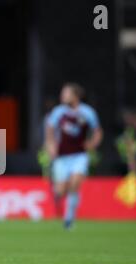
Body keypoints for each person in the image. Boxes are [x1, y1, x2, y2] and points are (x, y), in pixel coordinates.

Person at [45, 83, 103, 229]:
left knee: (74, 185)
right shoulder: (59, 112)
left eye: (66, 93)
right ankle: (57, 191)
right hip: (62, 157)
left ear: (75, 96)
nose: (62, 96)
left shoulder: (87, 112)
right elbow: (50, 130)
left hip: (79, 155)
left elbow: (97, 131)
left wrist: (92, 143)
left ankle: (69, 219)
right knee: (61, 190)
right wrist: (50, 145)